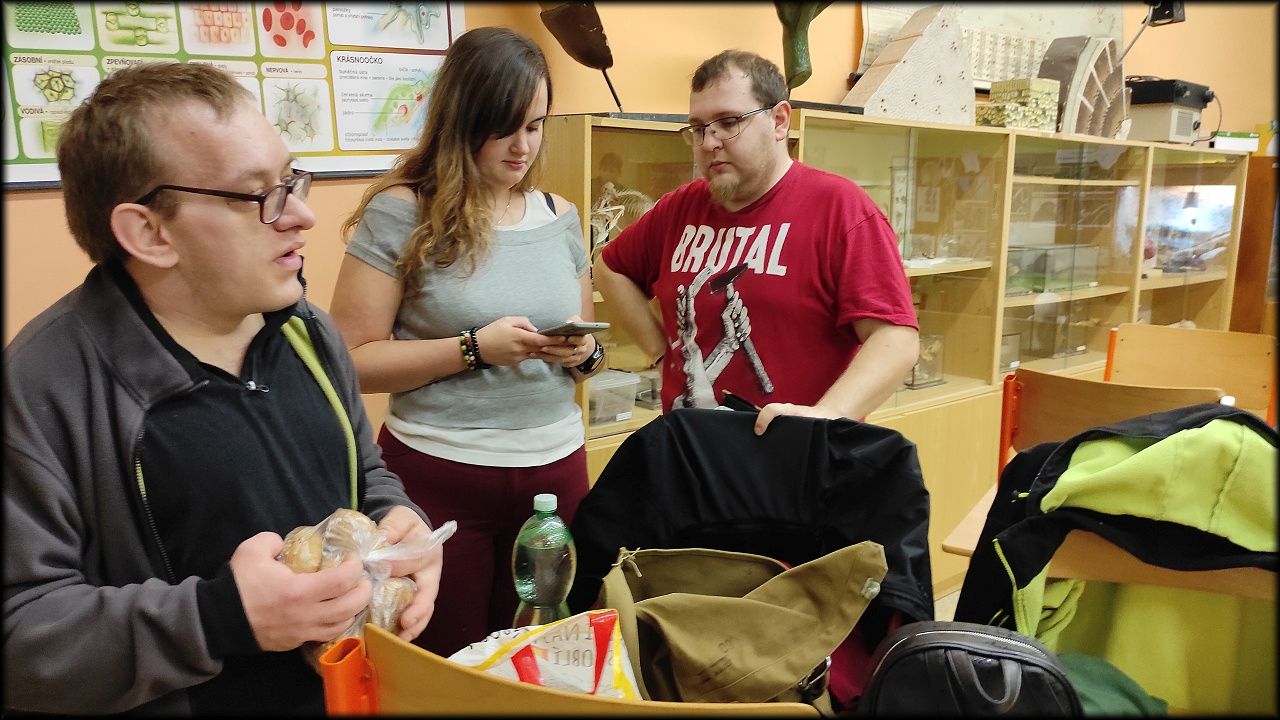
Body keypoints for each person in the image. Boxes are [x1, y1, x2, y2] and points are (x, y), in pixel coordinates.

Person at [2, 62, 442, 715]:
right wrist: (218, 618)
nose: (302, 215)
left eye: (291, 180)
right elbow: (20, 636)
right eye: (259, 195)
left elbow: (364, 473)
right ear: (150, 232)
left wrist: (400, 532)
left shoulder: (309, 332)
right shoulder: (45, 387)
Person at [330, 27, 603, 657]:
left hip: (556, 473)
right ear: (462, 120)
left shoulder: (560, 215)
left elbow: (587, 348)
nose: (523, 146)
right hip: (439, 475)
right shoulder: (402, 212)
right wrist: (472, 348)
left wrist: (582, 354)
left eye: (535, 126)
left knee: (543, 656)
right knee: (444, 661)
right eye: (504, 128)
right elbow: (350, 362)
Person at [593, 49, 920, 434]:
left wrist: (827, 414)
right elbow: (609, 268)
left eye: (729, 122)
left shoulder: (840, 209)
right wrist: (662, 353)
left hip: (796, 454)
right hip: (691, 450)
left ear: (779, 121)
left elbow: (895, 339)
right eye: (698, 128)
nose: (709, 142)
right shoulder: (679, 209)